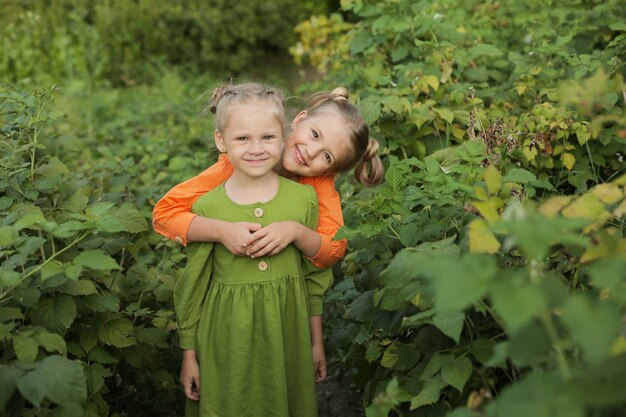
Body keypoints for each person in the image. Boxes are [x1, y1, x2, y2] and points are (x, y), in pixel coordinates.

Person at [174, 83, 332, 417]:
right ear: (221, 141)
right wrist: (189, 354)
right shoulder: (207, 207)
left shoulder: (303, 199)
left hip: (287, 333)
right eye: (242, 138)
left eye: (268, 137)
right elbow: (192, 287)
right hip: (226, 337)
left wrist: (316, 342)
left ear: (283, 136)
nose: (256, 149)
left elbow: (314, 276)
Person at [152, 86, 385, 271]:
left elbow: (334, 248)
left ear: (330, 171)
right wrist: (222, 231)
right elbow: (165, 214)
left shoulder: (318, 183)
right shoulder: (236, 166)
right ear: (299, 119)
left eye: (327, 156)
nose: (311, 152)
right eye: (315, 134)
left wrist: (296, 232)